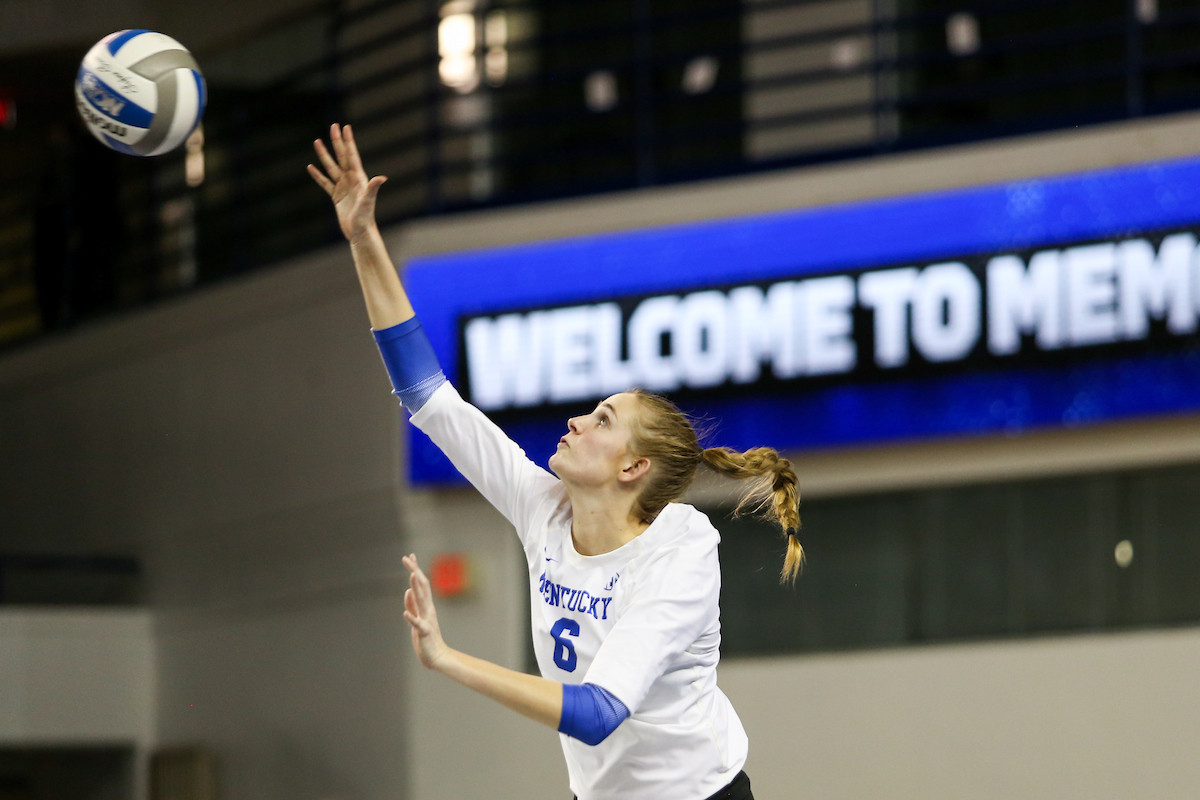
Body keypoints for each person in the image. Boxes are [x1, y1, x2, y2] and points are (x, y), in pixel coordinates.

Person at [308, 123, 803, 800]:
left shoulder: (679, 552)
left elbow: (599, 713)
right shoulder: (544, 507)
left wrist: (448, 659)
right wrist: (364, 241)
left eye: (603, 421)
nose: (576, 420)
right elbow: (427, 396)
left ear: (633, 469)